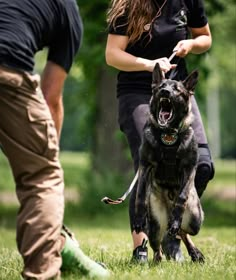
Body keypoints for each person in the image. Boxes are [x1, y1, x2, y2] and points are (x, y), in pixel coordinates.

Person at [0, 0, 109, 279]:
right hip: (8, 70)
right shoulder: (68, 11)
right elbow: (51, 97)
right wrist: (47, 154)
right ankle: (43, 273)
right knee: (42, 177)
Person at [105, 0, 215, 263]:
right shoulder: (128, 5)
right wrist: (148, 64)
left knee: (202, 165)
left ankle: (172, 234)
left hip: (178, 92)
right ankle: (141, 248)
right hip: (138, 92)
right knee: (148, 166)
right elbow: (112, 54)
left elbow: (205, 38)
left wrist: (191, 44)